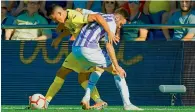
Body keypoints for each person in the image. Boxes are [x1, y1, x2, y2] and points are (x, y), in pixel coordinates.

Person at [36, 4, 118, 110]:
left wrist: (109, 32)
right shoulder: (67, 15)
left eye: (55, 18)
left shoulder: (75, 17)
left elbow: (96, 17)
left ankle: (45, 102)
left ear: (59, 13)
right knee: (82, 77)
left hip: (85, 48)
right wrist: (59, 38)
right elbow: (71, 28)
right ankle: (99, 101)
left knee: (63, 72)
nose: (55, 21)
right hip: (83, 47)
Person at [72, 8, 143, 111]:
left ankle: (87, 97)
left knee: (99, 69)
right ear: (117, 17)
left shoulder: (99, 14)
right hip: (88, 49)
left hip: (75, 49)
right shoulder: (112, 23)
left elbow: (79, 9)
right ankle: (128, 104)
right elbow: (109, 46)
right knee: (118, 72)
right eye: (121, 24)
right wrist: (117, 66)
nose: (120, 27)